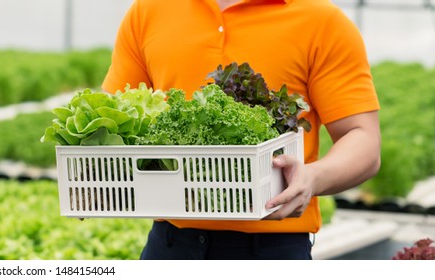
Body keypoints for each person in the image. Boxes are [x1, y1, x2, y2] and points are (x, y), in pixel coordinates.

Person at [102, 0, 382, 260]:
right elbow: (119, 117)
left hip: (271, 250)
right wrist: (98, 178)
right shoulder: (149, 10)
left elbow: (362, 139)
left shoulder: (322, 21)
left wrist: (312, 177)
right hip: (169, 246)